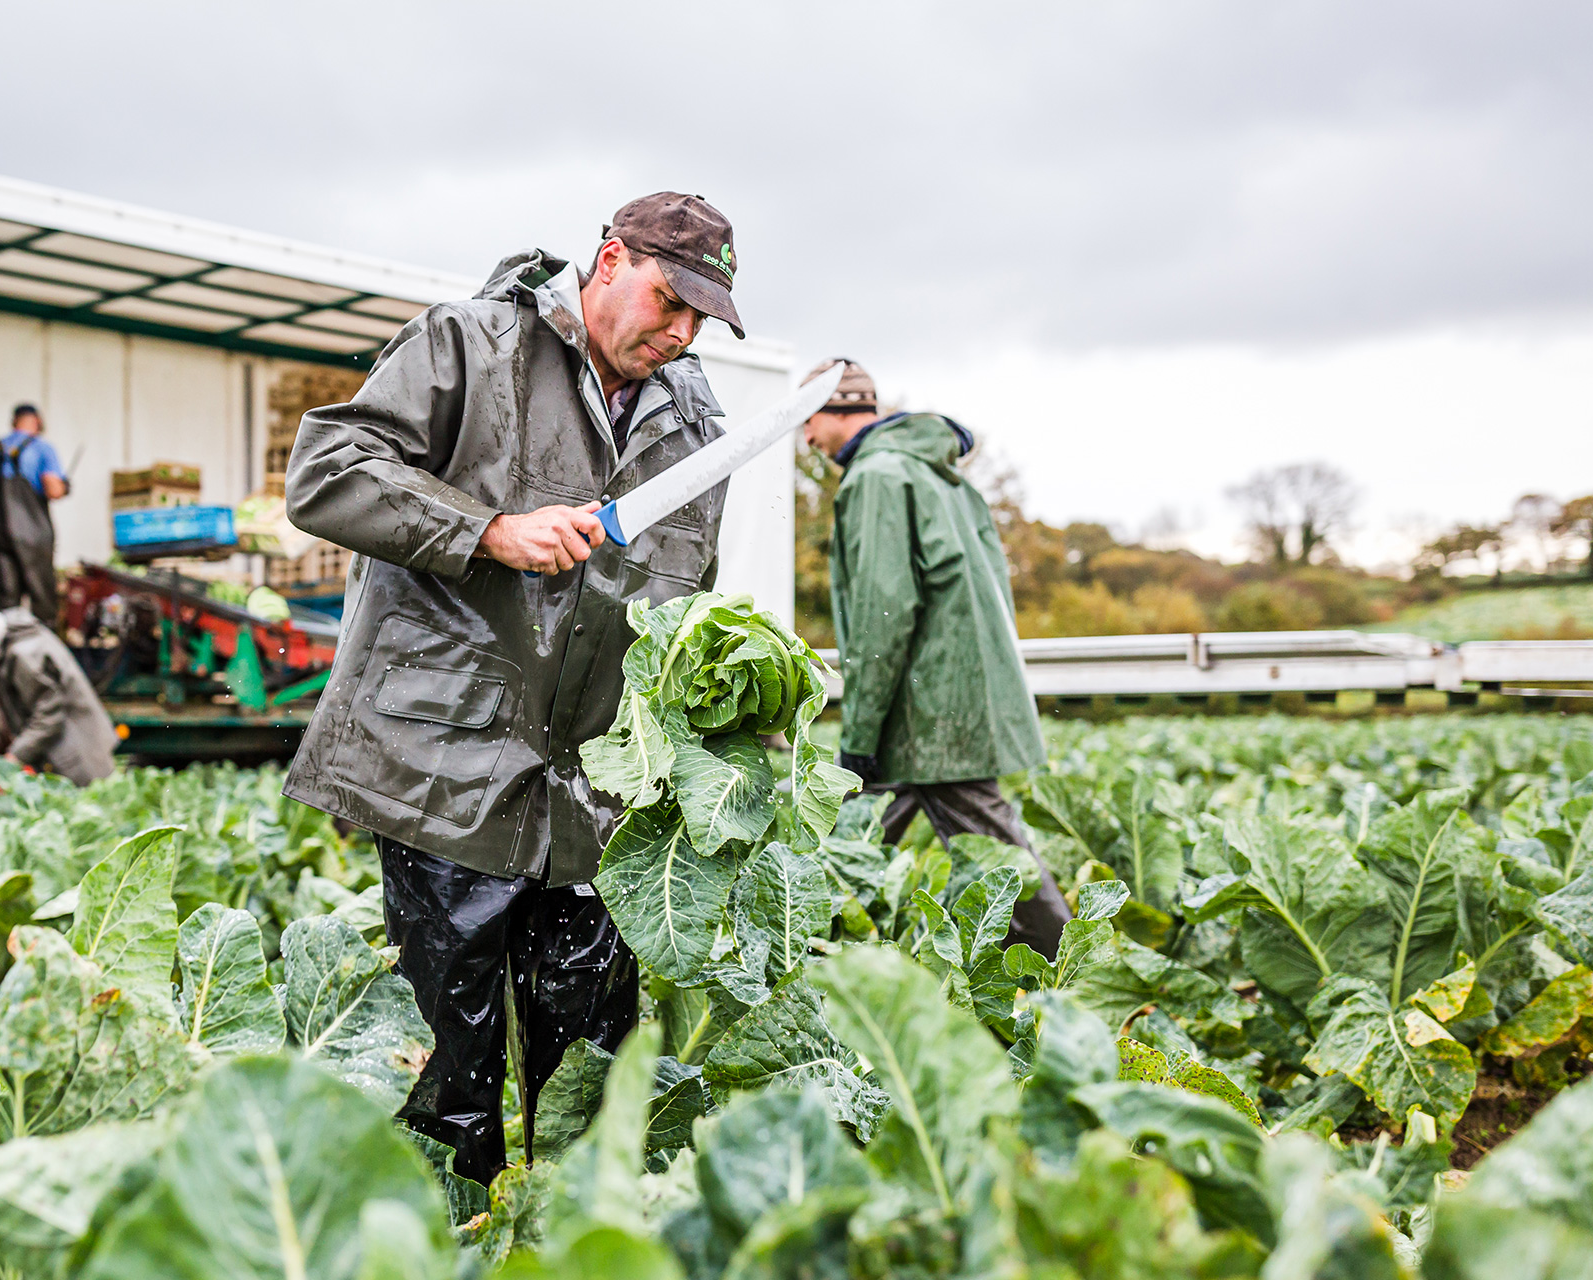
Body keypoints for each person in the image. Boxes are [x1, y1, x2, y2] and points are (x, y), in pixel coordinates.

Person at [282, 192, 747, 1184]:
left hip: (594, 789)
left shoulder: (697, 419)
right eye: (669, 301)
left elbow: (680, 596)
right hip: (446, 758)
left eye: (701, 319)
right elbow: (327, 469)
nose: (680, 333)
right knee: (445, 1078)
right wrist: (489, 531)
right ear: (611, 260)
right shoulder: (469, 346)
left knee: (588, 1073)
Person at [801, 359, 1072, 958]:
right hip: (941, 706)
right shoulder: (933, 473)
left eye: (807, 420)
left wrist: (861, 733)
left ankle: (1076, 975)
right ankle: (808, 957)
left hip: (929, 718)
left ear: (832, 410)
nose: (807, 438)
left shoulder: (876, 478)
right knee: (849, 841)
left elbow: (883, 612)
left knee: (999, 862)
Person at [0, 600, 117, 786]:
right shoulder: (2, 647)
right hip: (60, 753)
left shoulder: (24, 653)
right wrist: (1, 737)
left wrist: (13, 758)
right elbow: (20, 703)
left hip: (79, 755)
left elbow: (49, 716)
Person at [0, 404, 68, 627]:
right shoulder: (42, 449)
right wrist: (65, 486)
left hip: (0, 536)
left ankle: (6, 655)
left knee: (5, 603)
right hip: (33, 537)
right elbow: (53, 489)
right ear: (37, 421)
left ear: (14, 421)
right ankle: (41, 656)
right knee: (42, 602)